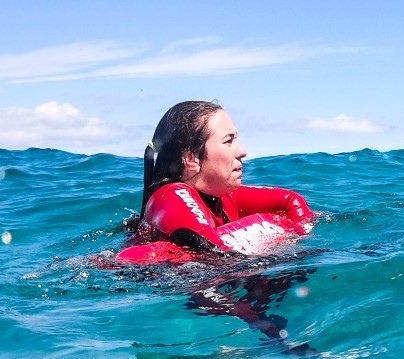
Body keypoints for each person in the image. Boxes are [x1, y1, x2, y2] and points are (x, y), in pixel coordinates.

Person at [125, 100, 314, 259]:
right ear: (192, 159)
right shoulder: (172, 196)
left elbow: (290, 200)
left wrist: (299, 236)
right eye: (228, 141)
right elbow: (212, 253)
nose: (242, 151)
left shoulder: (220, 195)